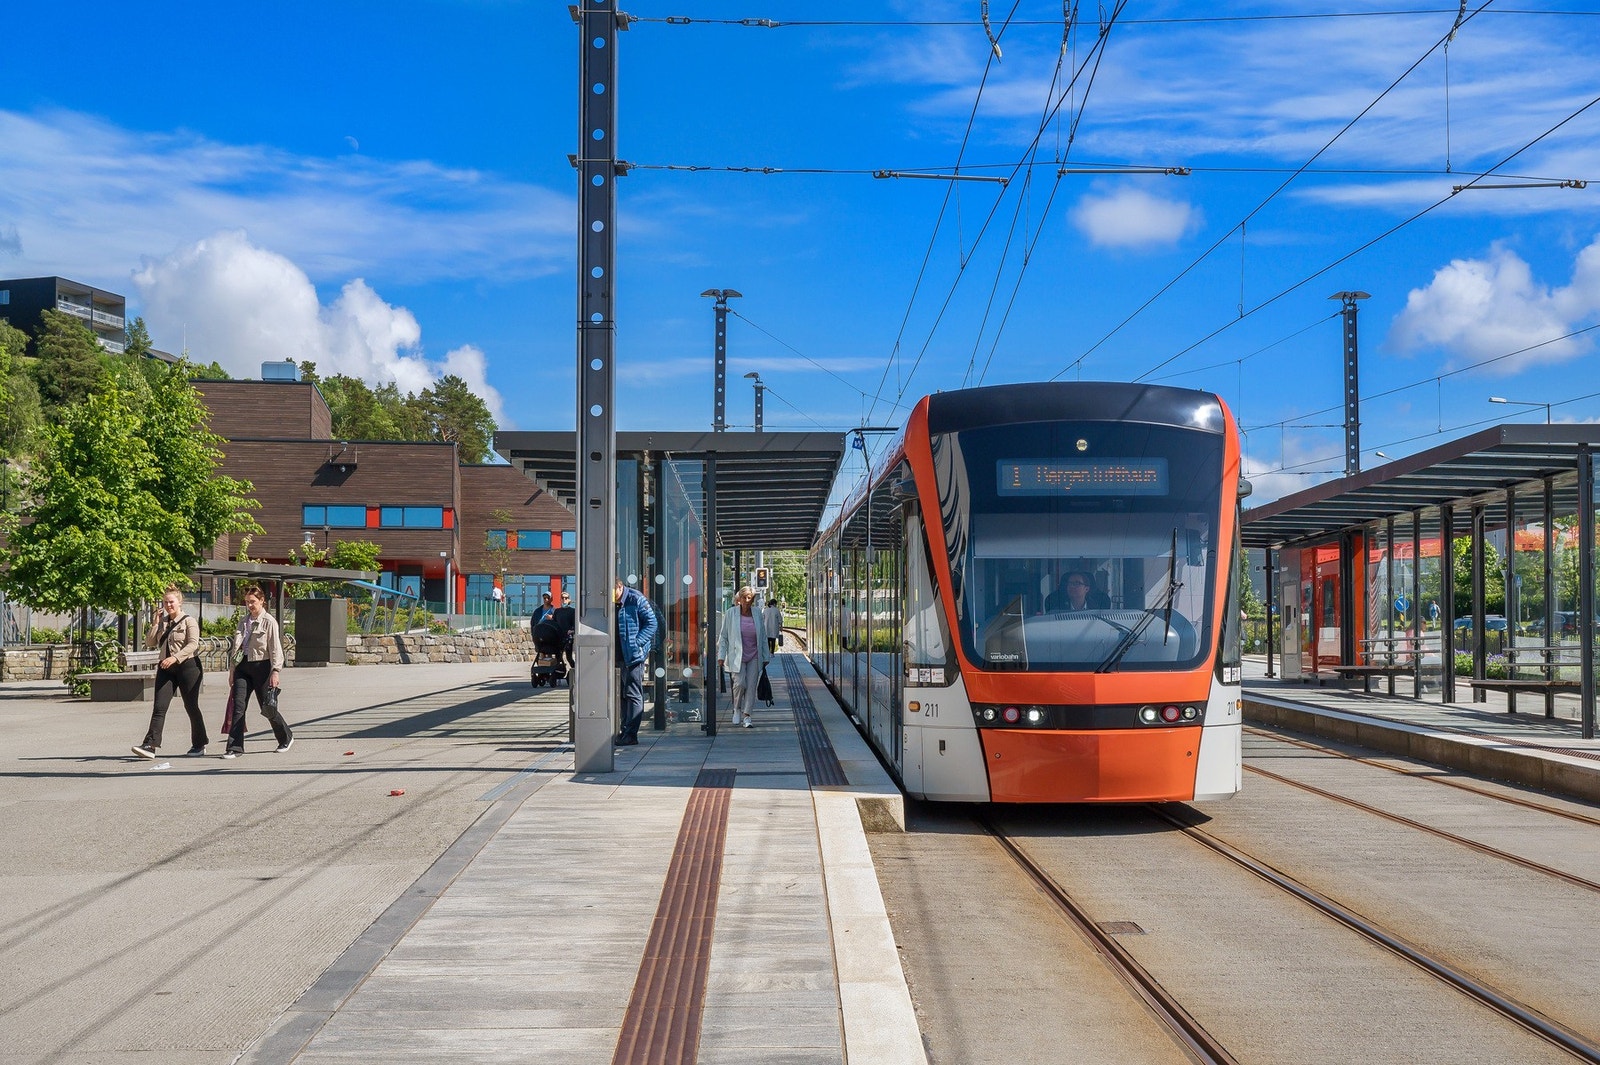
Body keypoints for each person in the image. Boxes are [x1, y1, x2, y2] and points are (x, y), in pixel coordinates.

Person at [131, 586, 207, 759]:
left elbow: (193, 644)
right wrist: (155, 624)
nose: (168, 605)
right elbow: (150, 643)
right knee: (159, 707)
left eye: (171, 602)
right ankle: (150, 745)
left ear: (180, 602)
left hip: (188, 667)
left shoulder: (189, 621)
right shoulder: (162, 622)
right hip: (166, 668)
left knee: (191, 706)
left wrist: (175, 658)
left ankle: (199, 744)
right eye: (165, 602)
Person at [225, 584, 292, 758]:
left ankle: (285, 737)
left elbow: (275, 648)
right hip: (242, 667)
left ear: (262, 601)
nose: (249, 605)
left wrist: (276, 671)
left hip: (262, 666)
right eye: (247, 602)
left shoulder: (269, 621)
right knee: (238, 707)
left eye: (253, 601)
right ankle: (234, 747)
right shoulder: (243, 621)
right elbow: (236, 649)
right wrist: (232, 671)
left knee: (267, 707)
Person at [718, 585, 772, 728]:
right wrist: (721, 655)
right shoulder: (731, 613)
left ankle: (747, 716)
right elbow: (723, 637)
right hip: (737, 655)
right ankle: (736, 708)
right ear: (739, 599)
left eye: (750, 598)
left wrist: (766, 656)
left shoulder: (757, 613)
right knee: (740, 683)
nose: (747, 601)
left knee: (751, 686)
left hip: (754, 655)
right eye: (745, 598)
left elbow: (763, 636)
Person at [613, 578, 659, 746]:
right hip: (616, 656)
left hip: (633, 656)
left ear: (619, 587)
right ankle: (624, 730)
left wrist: (637, 642)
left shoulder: (635, 598)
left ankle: (631, 734)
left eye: (612, 591)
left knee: (633, 694)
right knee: (621, 695)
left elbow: (652, 623)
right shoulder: (610, 602)